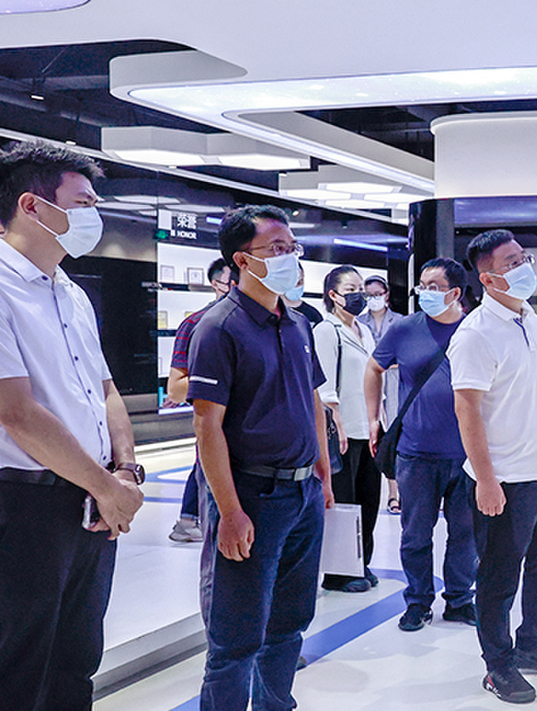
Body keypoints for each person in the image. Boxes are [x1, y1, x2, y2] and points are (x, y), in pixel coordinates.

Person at [0, 140, 146, 711]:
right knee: (20, 664)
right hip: (24, 505)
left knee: (77, 658)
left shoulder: (72, 292)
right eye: (83, 202)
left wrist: (125, 471)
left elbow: (105, 390)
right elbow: (16, 411)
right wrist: (106, 487)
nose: (94, 214)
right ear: (32, 206)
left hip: (89, 503)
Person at [187, 204, 334, 710]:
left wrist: (322, 471)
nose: (291, 257)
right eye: (277, 249)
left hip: (302, 492)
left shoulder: (296, 322)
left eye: (293, 247)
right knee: (237, 634)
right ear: (243, 260)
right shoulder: (219, 327)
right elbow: (207, 425)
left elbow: (312, 397)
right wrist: (229, 511)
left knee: (290, 622)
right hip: (252, 494)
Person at [450, 229, 537, 704]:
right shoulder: (475, 334)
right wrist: (485, 479)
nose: (525, 267)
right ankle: (498, 665)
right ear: (487, 278)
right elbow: (466, 409)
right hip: (504, 480)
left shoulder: (533, 320)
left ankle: (533, 645)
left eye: (523, 257)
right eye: (511, 262)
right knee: (499, 578)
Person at [366, 257, 478, 631]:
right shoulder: (405, 329)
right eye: (422, 286)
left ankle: (460, 600)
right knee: (415, 534)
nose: (424, 293)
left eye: (433, 287)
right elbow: (374, 368)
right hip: (415, 452)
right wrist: (373, 418)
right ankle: (417, 601)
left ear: (455, 292)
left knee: (465, 534)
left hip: (467, 454)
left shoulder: (475, 330)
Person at [314, 265, 381, 593]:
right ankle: (339, 572)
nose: (359, 295)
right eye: (351, 289)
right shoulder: (326, 331)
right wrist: (336, 423)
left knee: (369, 500)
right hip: (343, 430)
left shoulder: (363, 330)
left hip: (368, 429)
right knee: (345, 502)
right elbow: (324, 386)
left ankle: (361, 562)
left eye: (360, 289)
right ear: (334, 295)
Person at [166, 257, 236, 543]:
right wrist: (223, 380)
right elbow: (175, 389)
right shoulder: (197, 324)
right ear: (216, 284)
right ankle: (189, 520)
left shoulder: (274, 322)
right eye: (231, 281)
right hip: (217, 433)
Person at [359, 273, 406, 512]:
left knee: (395, 433)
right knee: (375, 431)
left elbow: (405, 353)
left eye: (378, 294)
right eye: (369, 295)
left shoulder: (400, 321)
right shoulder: (359, 322)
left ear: (386, 295)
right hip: (370, 380)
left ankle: (395, 493)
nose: (374, 299)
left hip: (396, 381)